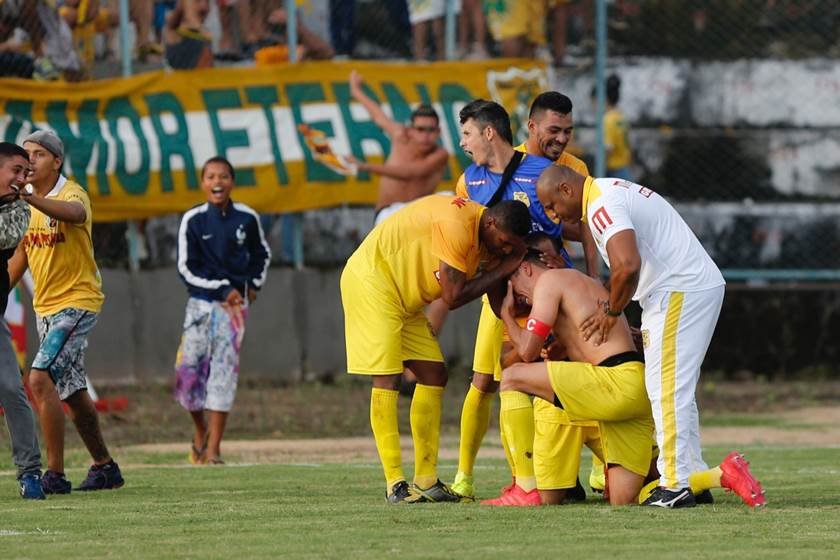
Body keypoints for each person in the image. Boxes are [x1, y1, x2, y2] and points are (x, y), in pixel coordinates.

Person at [536, 165, 766, 508]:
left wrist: (611, 312)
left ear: (567, 190)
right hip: (681, 289)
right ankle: (691, 477)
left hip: (678, 290)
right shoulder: (609, 191)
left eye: (552, 206)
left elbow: (627, 265)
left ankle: (674, 484)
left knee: (666, 389)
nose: (554, 216)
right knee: (672, 388)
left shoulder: (601, 204)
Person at [500, 250, 768, 507]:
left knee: (511, 378)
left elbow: (527, 350)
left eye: (513, 283)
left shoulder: (549, 280)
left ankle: (524, 487)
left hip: (613, 382)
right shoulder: (582, 282)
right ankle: (722, 474)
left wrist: (506, 315)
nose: (519, 296)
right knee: (624, 499)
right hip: (636, 385)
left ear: (526, 268)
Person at [447, 95, 602, 505]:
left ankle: (591, 471)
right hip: (501, 295)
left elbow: (580, 223)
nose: (563, 139)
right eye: (555, 130)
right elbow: (466, 231)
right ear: (531, 128)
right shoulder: (472, 177)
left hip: (547, 292)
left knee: (560, 376)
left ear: (488, 132)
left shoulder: (561, 173)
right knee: (489, 380)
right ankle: (473, 476)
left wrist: (591, 281)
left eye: (568, 131)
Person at [340, 194, 531, 504]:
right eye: (505, 242)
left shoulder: (489, 238)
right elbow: (453, 297)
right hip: (373, 282)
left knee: (434, 374)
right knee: (388, 378)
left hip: (404, 298)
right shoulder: (458, 225)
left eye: (510, 247)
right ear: (492, 222)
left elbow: (495, 296)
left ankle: (426, 479)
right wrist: (505, 266)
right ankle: (395, 484)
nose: (505, 249)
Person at [8, 130, 123, 493]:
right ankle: (105, 467)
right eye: (25, 155)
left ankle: (54, 475)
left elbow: (74, 214)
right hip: (47, 309)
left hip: (78, 303)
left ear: (56, 161)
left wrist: (30, 198)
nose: (30, 161)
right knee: (72, 391)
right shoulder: (25, 205)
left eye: (39, 154)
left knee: (40, 379)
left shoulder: (70, 193)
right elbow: (20, 259)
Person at [348, 69, 451, 383]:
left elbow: (408, 174)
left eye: (432, 130)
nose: (426, 136)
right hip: (389, 218)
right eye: (421, 129)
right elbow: (377, 114)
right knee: (389, 291)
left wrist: (363, 166)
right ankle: (392, 363)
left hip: (415, 222)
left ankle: (414, 362)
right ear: (412, 128)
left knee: (441, 287)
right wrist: (357, 90)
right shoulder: (399, 135)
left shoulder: (440, 154)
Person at [174, 156, 270, 465]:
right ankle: (200, 430)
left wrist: (252, 284)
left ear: (232, 181)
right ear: (203, 183)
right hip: (201, 306)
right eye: (211, 176)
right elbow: (185, 268)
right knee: (188, 374)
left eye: (224, 176)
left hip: (234, 311)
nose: (218, 182)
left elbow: (261, 254)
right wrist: (220, 288)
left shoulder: (247, 218)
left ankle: (214, 449)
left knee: (223, 374)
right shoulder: (193, 220)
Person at [0, 142, 44, 500]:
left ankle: (30, 473)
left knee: (12, 389)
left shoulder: (19, 212)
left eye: (26, 173)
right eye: (16, 170)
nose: (22, 179)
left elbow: (6, 237)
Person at [602, 74, 633, 180]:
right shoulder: (621, 117)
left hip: (614, 170)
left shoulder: (607, 120)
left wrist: (600, 170)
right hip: (624, 167)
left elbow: (608, 149)